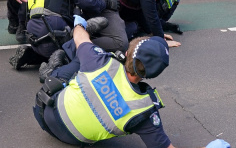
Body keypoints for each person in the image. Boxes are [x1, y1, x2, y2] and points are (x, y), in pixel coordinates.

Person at [33, 15, 175, 147]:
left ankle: (54, 69)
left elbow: (80, 38)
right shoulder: (144, 112)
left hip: (44, 112)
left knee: (80, 57)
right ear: (151, 74)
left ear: (126, 53)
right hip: (73, 139)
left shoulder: (100, 61)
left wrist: (80, 26)